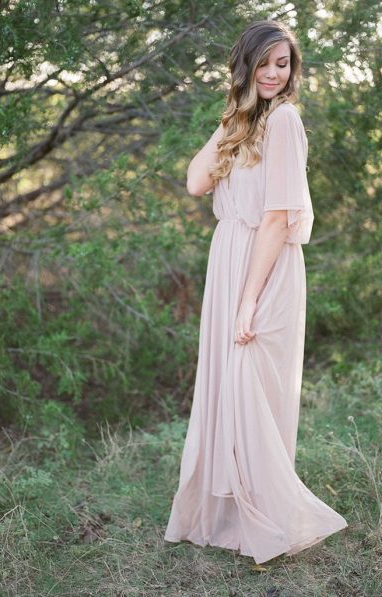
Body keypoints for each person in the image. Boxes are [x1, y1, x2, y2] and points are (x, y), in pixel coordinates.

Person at [163, 19, 348, 564]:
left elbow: (275, 220)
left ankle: (265, 518)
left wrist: (248, 301)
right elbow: (198, 182)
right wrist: (234, 115)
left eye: (282, 63)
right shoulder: (250, 121)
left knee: (253, 396)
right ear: (245, 67)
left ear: (293, 71)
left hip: (262, 271)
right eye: (263, 63)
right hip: (230, 261)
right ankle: (230, 517)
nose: (273, 73)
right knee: (228, 389)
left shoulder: (286, 120)